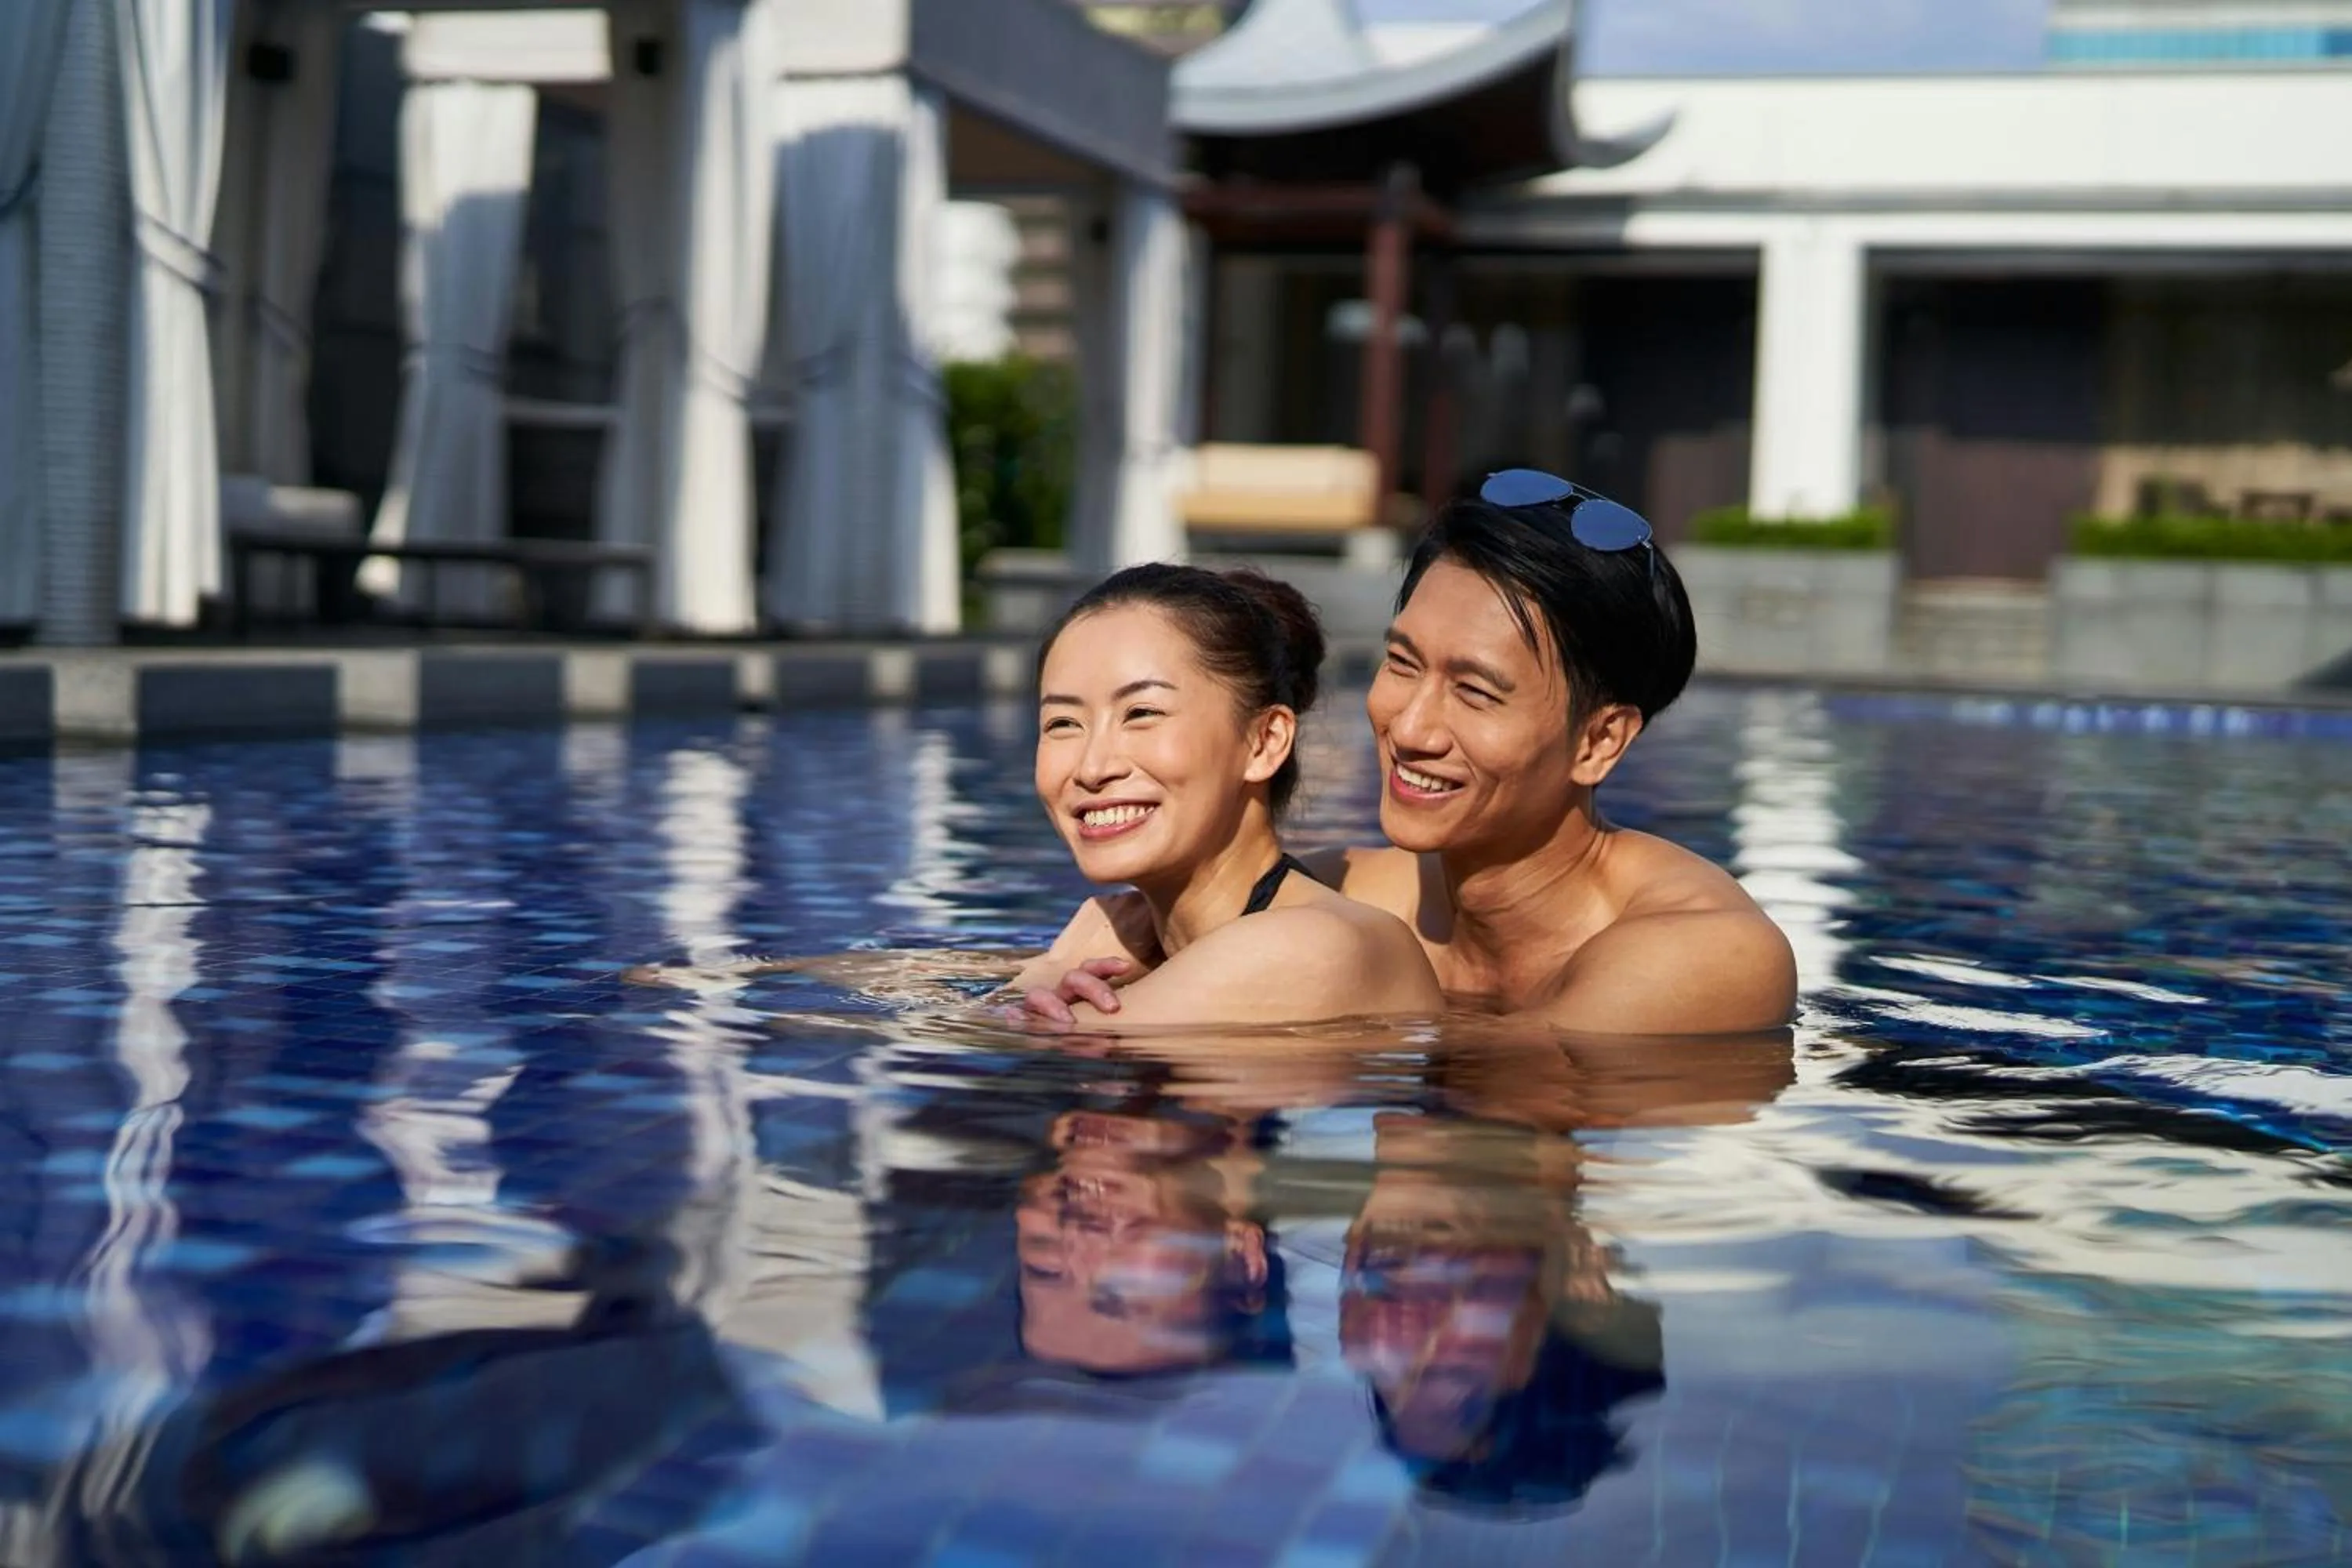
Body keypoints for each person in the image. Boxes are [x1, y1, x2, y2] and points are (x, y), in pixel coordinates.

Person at [1024, 471, 1798, 1036]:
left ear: (1599, 741)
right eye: (1402, 664)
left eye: (1476, 691)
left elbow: (1506, 1083)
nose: (1412, 725)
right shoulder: (1355, 889)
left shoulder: (1706, 950)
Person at [1004, 563, 1443, 1029]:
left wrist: (1050, 971)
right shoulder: (1153, 949)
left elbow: (982, 1045)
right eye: (1063, 723)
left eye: (1142, 713)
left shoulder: (1314, 945)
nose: (1092, 768)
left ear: (1265, 742)